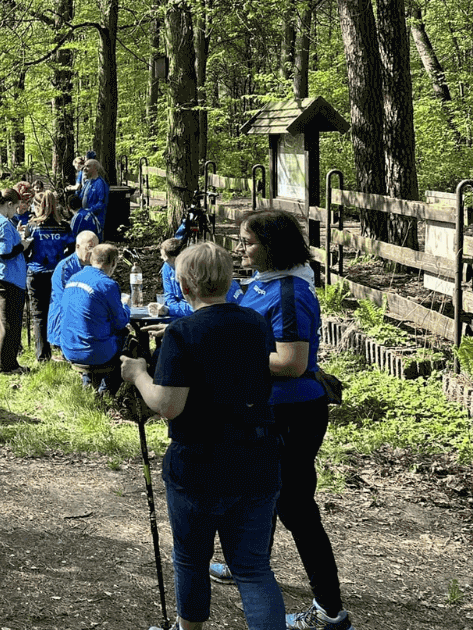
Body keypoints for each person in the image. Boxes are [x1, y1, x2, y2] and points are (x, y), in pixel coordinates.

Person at [121, 242, 285, 630]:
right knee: (253, 568)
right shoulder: (255, 323)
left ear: (185, 285)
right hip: (257, 455)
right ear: (227, 280)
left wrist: (138, 374)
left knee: (191, 559)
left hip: (199, 462)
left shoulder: (182, 334)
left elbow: (168, 405)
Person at [225, 209, 352, 630]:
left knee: (296, 507)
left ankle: (330, 612)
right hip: (267, 408)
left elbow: (292, 361)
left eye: (248, 242)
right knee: (260, 492)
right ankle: (250, 564)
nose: (240, 249)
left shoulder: (289, 292)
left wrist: (230, 357)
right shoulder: (265, 285)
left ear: (273, 246)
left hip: (292, 411)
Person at [59, 243, 130, 392]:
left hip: (68, 347)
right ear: (113, 263)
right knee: (127, 339)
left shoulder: (73, 278)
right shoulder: (108, 284)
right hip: (94, 352)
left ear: (92, 259)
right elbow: (121, 322)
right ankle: (106, 391)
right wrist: (126, 306)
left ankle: (88, 384)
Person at [0, 187, 32, 373]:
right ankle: (7, 365)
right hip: (6, 277)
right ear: (9, 204)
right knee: (10, 323)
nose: (16, 211)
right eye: (16, 208)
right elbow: (5, 252)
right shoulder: (2, 223)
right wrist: (23, 245)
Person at [26, 190, 73, 363]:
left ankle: (42, 355)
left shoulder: (32, 226)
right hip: (58, 273)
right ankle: (62, 349)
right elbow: (72, 249)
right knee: (60, 310)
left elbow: (27, 249)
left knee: (39, 314)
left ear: (38, 206)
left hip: (37, 272)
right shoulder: (64, 226)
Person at [47, 231, 99, 362]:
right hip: (66, 313)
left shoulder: (96, 265)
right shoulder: (66, 267)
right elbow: (65, 299)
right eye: (89, 248)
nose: (93, 252)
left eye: (96, 248)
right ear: (77, 247)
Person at [160, 237, 240, 317]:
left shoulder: (202, 274)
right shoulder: (167, 267)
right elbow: (169, 299)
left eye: (166, 259)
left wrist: (171, 309)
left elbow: (203, 305)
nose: (163, 260)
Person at [80, 158, 109, 238]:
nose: (84, 169)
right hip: (85, 220)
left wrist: (89, 211)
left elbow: (102, 203)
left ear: (95, 168)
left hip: (96, 221)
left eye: (88, 166)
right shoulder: (88, 182)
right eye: (84, 166)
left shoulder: (100, 183)